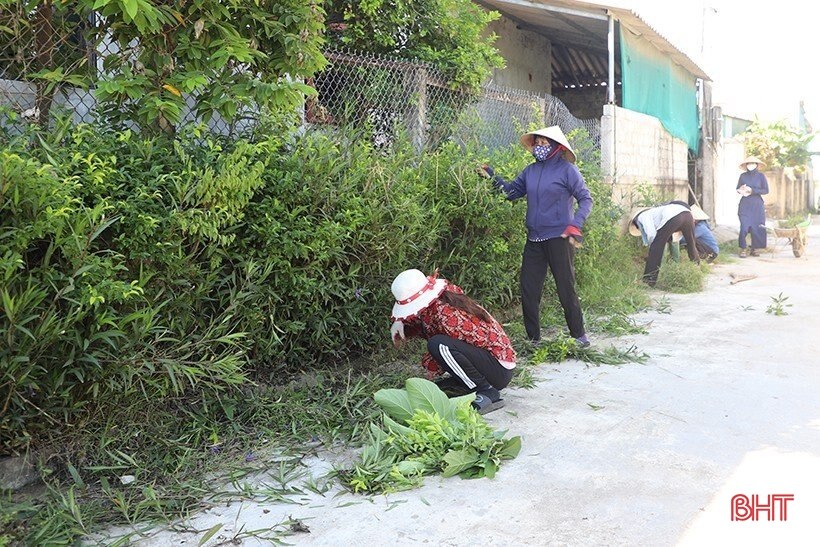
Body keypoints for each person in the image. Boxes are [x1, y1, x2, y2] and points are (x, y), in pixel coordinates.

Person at [479, 126, 592, 346]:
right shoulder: (530, 171)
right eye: (536, 143)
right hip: (534, 239)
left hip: (560, 237)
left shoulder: (567, 170)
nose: (538, 147)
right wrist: (491, 176)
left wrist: (576, 225)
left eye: (543, 144)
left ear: (555, 147)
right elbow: (511, 192)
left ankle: (579, 336)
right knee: (529, 290)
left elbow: (586, 199)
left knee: (565, 287)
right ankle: (533, 339)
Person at [389, 268, 516, 415]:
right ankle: (468, 384)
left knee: (438, 345)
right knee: (439, 346)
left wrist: (431, 368)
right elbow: (426, 327)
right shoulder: (439, 301)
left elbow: (450, 349)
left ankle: (486, 391)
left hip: (498, 369)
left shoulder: (446, 312)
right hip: (489, 362)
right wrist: (400, 322)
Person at [628, 202, 700, 286]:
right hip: (688, 216)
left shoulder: (642, 217)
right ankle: (696, 270)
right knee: (691, 244)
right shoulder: (655, 213)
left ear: (636, 223)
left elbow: (651, 235)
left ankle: (649, 280)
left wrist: (653, 248)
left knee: (656, 247)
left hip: (673, 217)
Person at [736, 156, 769, 257]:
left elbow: (766, 190)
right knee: (744, 227)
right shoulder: (742, 176)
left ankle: (755, 248)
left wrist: (753, 191)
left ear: (757, 165)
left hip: (757, 205)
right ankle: (743, 248)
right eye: (749, 163)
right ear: (746, 165)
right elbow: (738, 188)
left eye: (753, 163)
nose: (751, 165)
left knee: (757, 227)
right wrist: (742, 189)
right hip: (745, 204)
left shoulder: (761, 176)